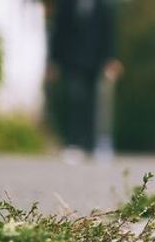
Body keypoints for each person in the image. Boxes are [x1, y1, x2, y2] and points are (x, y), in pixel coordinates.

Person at [49, 0, 123, 161]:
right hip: (71, 62)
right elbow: (58, 32)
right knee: (75, 99)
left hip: (94, 63)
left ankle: (89, 144)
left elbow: (109, 34)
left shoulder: (103, 7)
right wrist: (53, 61)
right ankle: (73, 142)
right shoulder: (67, 5)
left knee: (92, 102)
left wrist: (112, 59)